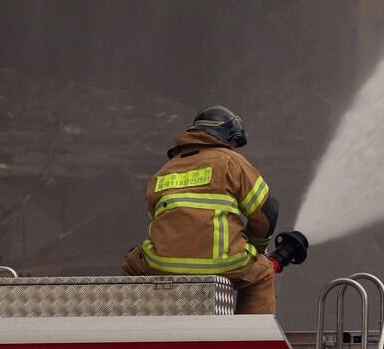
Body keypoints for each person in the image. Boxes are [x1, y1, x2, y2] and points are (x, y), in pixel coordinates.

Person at [123, 105, 302, 314]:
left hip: (162, 264)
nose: (234, 148)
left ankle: (140, 329)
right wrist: (257, 249)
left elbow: (156, 220)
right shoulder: (231, 162)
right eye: (234, 143)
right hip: (222, 262)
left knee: (131, 264)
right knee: (263, 273)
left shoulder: (163, 172)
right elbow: (267, 212)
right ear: (227, 138)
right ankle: (249, 341)